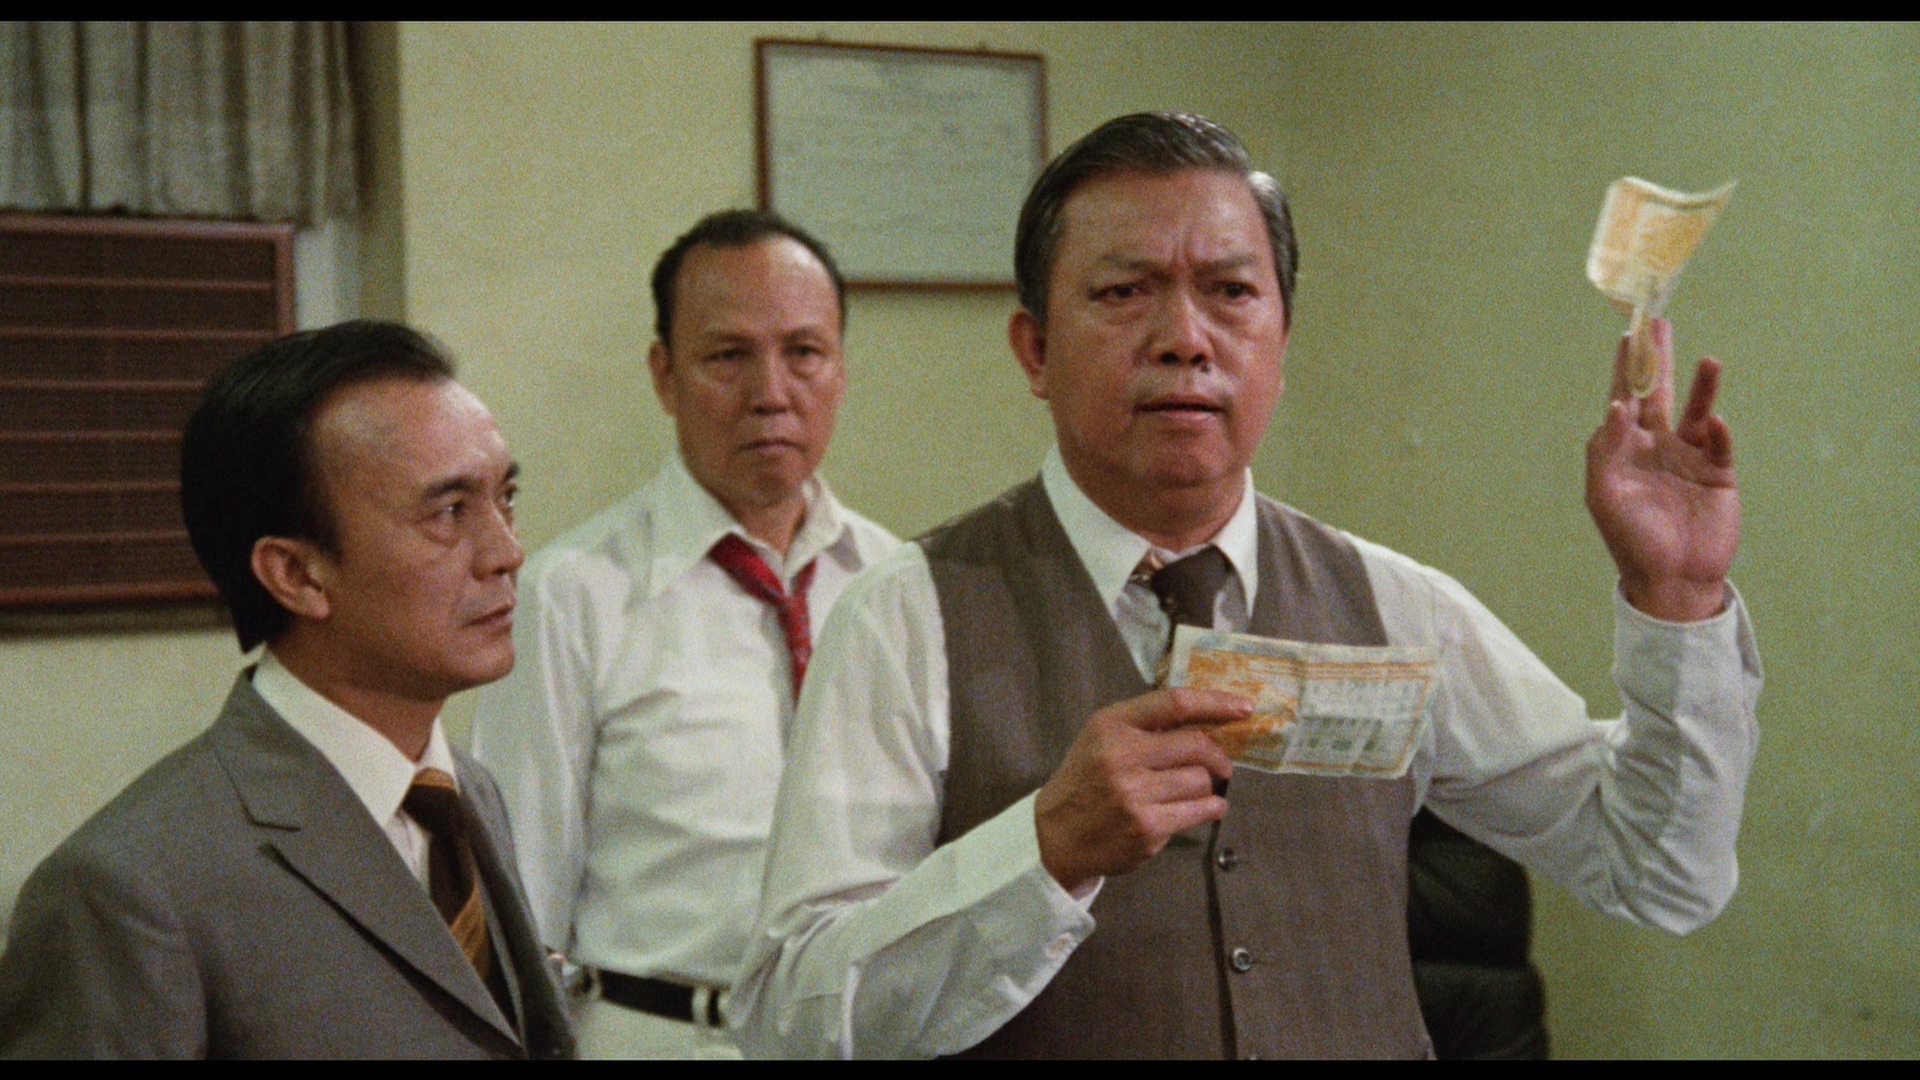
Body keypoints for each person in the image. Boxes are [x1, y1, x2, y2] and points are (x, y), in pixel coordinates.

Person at [731, 112, 1762, 1059]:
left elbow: (1659, 872)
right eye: (1124, 292)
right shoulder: (907, 615)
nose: (1186, 338)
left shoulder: (1393, 607)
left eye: (1230, 293)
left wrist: (1676, 597)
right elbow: (791, 1018)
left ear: (1281, 340)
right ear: (1035, 350)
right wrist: (1041, 852)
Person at [0, 320, 572, 1059]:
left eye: (506, 496)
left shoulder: (464, 791)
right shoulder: (129, 889)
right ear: (297, 575)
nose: (508, 551)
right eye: (449, 512)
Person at [469, 209, 899, 1059]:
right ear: (665, 376)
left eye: (804, 352)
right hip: (663, 1036)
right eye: (728, 356)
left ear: (841, 369)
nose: (771, 392)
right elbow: (521, 904)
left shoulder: (896, 585)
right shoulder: (573, 593)